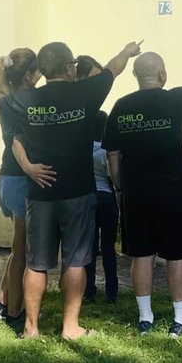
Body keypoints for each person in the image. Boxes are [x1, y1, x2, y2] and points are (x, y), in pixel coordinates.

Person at [0, 39, 142, 339]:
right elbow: (113, 69)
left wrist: (27, 167)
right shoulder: (85, 92)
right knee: (75, 261)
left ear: (42, 69)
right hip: (78, 192)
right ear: (68, 67)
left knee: (36, 264)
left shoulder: (25, 100)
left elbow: (5, 115)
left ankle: (30, 328)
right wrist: (127, 51)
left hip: (40, 193)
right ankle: (70, 327)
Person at [104, 52, 182, 338]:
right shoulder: (176, 100)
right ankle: (180, 320)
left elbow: (112, 153)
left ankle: (145, 318)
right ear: (162, 75)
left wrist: (120, 185)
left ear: (135, 76)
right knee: (176, 257)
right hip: (172, 191)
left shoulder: (122, 106)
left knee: (141, 255)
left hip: (136, 192)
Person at [0, 49, 42, 324]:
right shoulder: (29, 102)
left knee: (17, 246)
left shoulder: (3, 98)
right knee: (22, 250)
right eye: (38, 69)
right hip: (21, 178)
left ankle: (1, 301)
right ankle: (14, 312)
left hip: (6, 177)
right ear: (29, 74)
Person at [83, 111, 119, 304]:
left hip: (88, 198)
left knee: (89, 247)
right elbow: (114, 175)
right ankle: (112, 292)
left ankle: (89, 291)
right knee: (108, 247)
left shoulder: (82, 149)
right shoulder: (107, 150)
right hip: (107, 198)